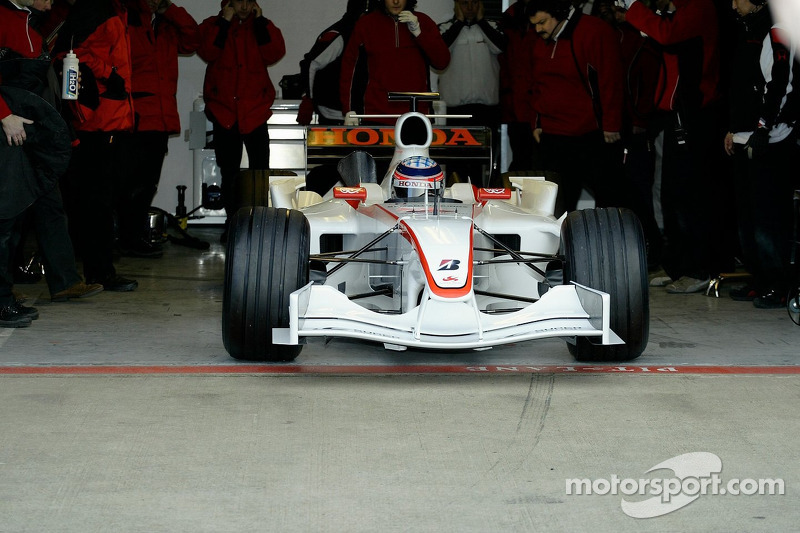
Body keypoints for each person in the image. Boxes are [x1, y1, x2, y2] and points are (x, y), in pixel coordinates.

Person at [0, 0, 104, 329]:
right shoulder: (5, 18)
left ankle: (56, 282)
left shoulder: (31, 21)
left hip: (30, 133)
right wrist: (3, 115)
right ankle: (3, 298)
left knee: (43, 205)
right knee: (7, 218)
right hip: (12, 132)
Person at [619, 0, 731, 294]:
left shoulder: (700, 7)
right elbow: (665, 37)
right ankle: (678, 267)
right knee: (670, 193)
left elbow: (668, 34)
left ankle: (698, 269)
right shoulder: (680, 11)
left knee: (690, 195)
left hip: (696, 116)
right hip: (673, 115)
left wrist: (635, 8)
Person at [53, 0, 138, 292]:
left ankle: (96, 269)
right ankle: (100, 271)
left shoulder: (114, 12)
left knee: (97, 199)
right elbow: (71, 53)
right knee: (96, 201)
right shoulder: (99, 11)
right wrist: (109, 75)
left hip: (108, 120)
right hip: (98, 122)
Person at [724, 0, 799, 308]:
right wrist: (734, 131)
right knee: (749, 216)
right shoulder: (748, 31)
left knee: (769, 218)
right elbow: (743, 86)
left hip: (769, 140)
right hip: (747, 137)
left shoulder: (778, 28)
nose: (732, 4)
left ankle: (779, 285)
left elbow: (781, 83)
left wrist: (763, 128)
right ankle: (761, 280)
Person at [526, 0, 626, 216]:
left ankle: (617, 245)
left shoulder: (594, 32)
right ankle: (558, 247)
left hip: (591, 135)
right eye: (534, 24)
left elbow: (611, 80)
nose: (538, 29)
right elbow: (535, 84)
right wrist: (537, 122)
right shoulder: (541, 40)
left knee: (611, 198)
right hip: (553, 136)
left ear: (559, 13)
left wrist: (611, 124)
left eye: (542, 22)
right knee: (554, 205)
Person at [198, 0, 285, 242]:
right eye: (238, 1)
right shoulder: (212, 26)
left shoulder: (262, 27)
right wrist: (224, 23)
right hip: (225, 113)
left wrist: (259, 23)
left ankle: (259, 223)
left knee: (260, 172)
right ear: (228, 3)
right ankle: (233, 223)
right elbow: (207, 52)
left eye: (249, 1)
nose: (244, 6)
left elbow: (275, 53)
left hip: (255, 111)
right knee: (230, 174)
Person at [117, 0, 198, 258]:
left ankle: (132, 236)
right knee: (125, 183)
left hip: (160, 119)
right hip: (133, 117)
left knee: (146, 184)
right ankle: (123, 237)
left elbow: (193, 39)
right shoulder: (125, 20)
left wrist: (168, 10)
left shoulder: (166, 25)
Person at [339, 0, 451, 122]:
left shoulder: (423, 21)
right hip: (376, 115)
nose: (396, 1)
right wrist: (349, 109)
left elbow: (442, 62)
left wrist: (419, 33)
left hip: (417, 114)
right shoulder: (366, 24)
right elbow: (349, 70)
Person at [436, 0, 506, 186]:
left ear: (481, 5)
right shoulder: (444, 29)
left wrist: (482, 21)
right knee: (455, 163)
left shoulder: (492, 27)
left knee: (483, 163)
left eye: (474, 3)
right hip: (455, 110)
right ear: (456, 5)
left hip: (486, 109)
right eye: (464, 3)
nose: (469, 7)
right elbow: (438, 53)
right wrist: (458, 23)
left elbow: (502, 47)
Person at [297, 0, 376, 126]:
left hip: (363, 111)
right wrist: (308, 99)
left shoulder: (370, 33)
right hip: (335, 112)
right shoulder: (340, 34)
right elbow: (311, 64)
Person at [499, 0, 537, 171]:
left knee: (539, 159)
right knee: (521, 158)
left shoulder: (547, 19)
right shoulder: (509, 19)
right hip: (515, 103)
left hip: (538, 104)